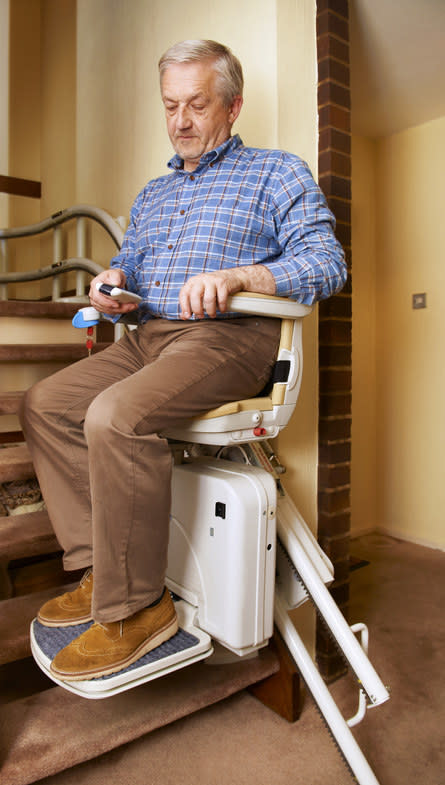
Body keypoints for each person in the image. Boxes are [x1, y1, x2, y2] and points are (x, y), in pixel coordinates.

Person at [20, 39, 347, 682]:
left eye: (197, 103)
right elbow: (132, 267)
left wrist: (242, 276)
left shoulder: (277, 173)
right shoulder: (153, 193)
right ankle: (102, 573)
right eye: (171, 105)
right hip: (146, 336)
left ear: (233, 105)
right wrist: (112, 284)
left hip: (227, 338)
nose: (181, 120)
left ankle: (139, 609)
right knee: (47, 404)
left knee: (115, 417)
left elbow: (327, 263)